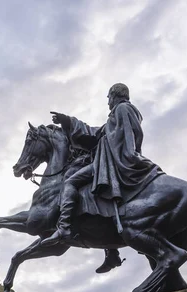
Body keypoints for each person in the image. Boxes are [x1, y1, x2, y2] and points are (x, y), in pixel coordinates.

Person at [42, 84, 163, 270]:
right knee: (91, 193)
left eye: (108, 97)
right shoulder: (118, 115)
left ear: (115, 95)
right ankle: (110, 251)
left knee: (71, 181)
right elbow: (97, 133)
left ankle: (64, 227)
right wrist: (67, 121)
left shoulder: (123, 109)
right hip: (110, 160)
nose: (107, 102)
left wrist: (129, 157)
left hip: (113, 162)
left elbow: (126, 140)